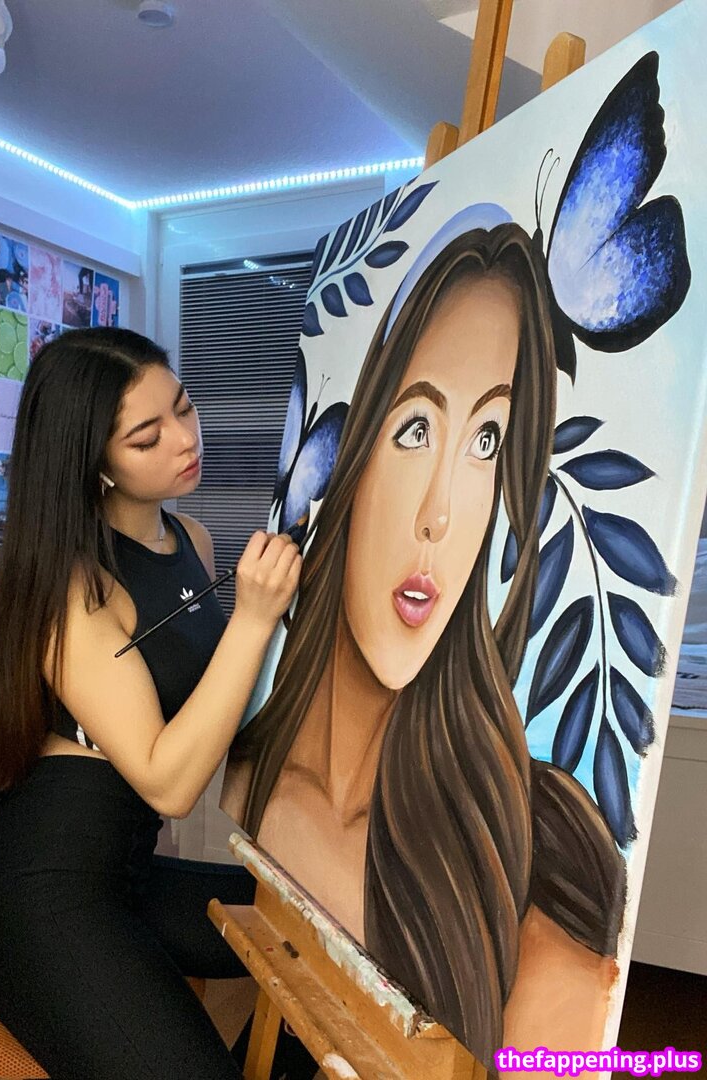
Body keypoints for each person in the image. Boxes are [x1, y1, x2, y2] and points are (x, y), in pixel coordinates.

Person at [222, 221, 627, 1068]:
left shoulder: (536, 856)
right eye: (415, 429)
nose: (442, 513)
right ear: (347, 456)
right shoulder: (256, 771)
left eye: (486, 441)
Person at [0, 327, 314, 1079]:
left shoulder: (192, 538)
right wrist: (252, 620)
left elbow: (219, 704)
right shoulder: (74, 588)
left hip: (133, 873)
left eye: (184, 408)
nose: (185, 439)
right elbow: (168, 784)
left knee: (328, 949)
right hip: (40, 894)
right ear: (95, 466)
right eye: (147, 437)